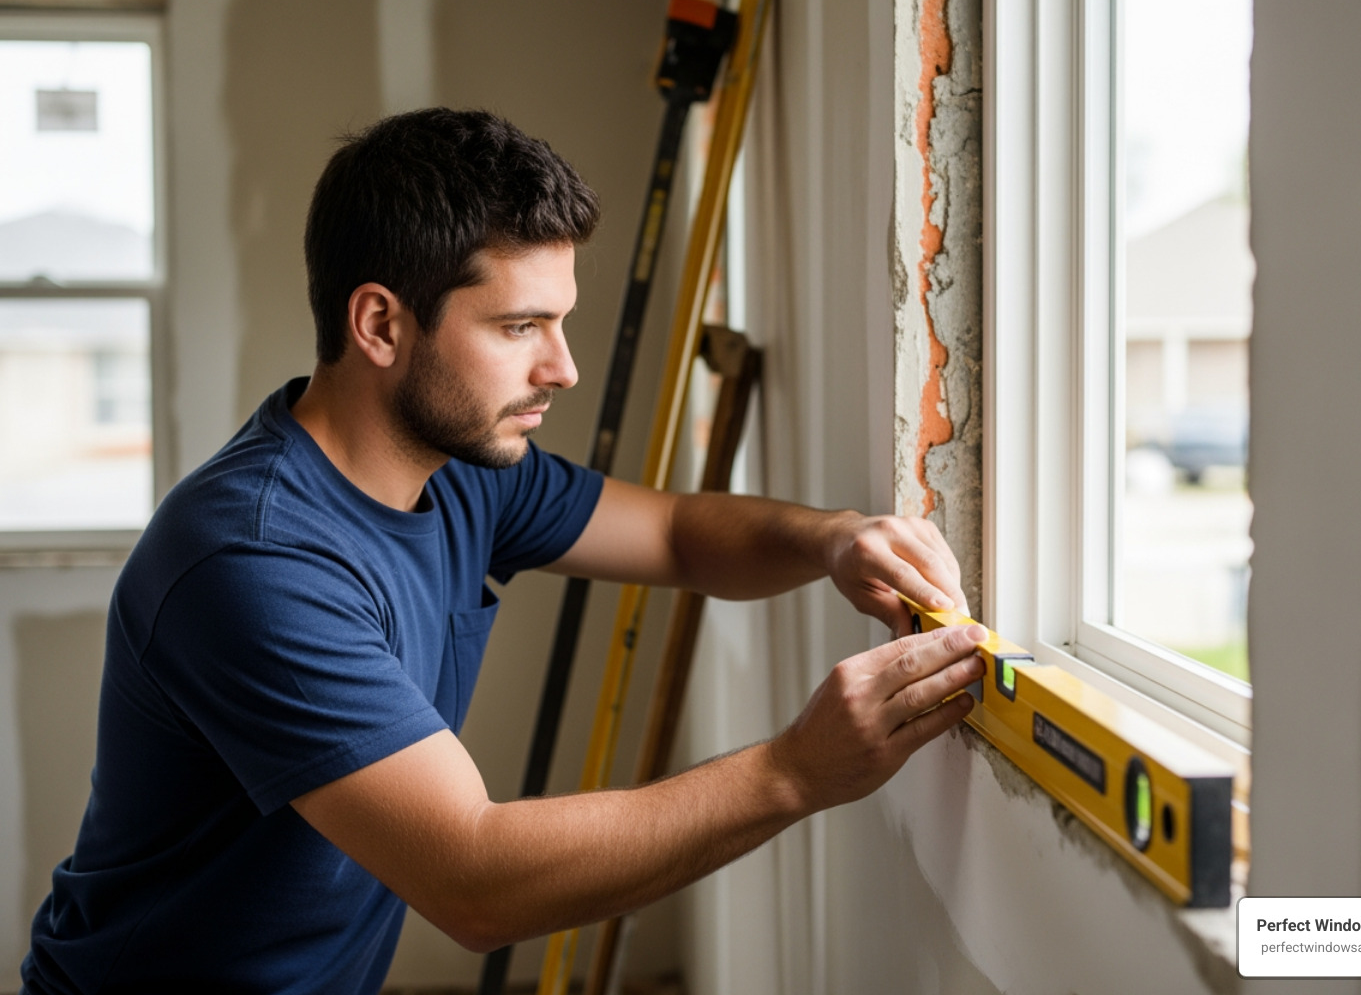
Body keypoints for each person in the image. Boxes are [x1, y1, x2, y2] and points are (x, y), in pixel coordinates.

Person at [20, 108, 986, 995]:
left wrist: (835, 538)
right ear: (381, 324)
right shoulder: (255, 563)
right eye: (520, 326)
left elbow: (678, 535)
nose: (562, 367)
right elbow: (475, 880)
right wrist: (795, 771)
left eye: (559, 322)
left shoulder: (461, 471)